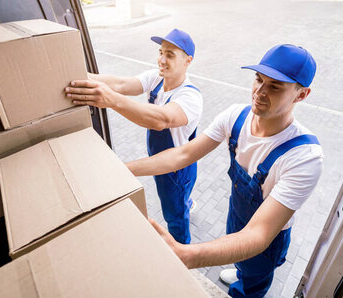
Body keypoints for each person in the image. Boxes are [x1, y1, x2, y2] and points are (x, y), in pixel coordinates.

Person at [126, 44, 324, 297]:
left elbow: (259, 234)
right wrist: (123, 170)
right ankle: (242, 269)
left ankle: (246, 283)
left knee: (252, 282)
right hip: (238, 214)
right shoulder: (236, 116)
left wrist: (188, 255)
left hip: (266, 237)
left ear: (301, 95)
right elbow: (183, 154)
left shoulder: (304, 157)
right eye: (258, 79)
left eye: (275, 87)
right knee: (238, 249)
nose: (260, 92)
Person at [64, 29, 203, 245]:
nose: (162, 60)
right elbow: (119, 84)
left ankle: (182, 251)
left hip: (176, 170)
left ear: (188, 60)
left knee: (174, 216)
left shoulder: (190, 97)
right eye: (160, 52)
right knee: (178, 200)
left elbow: (161, 120)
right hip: (159, 157)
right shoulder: (156, 78)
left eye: (170, 55)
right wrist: (78, 75)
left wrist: (112, 101)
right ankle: (186, 201)